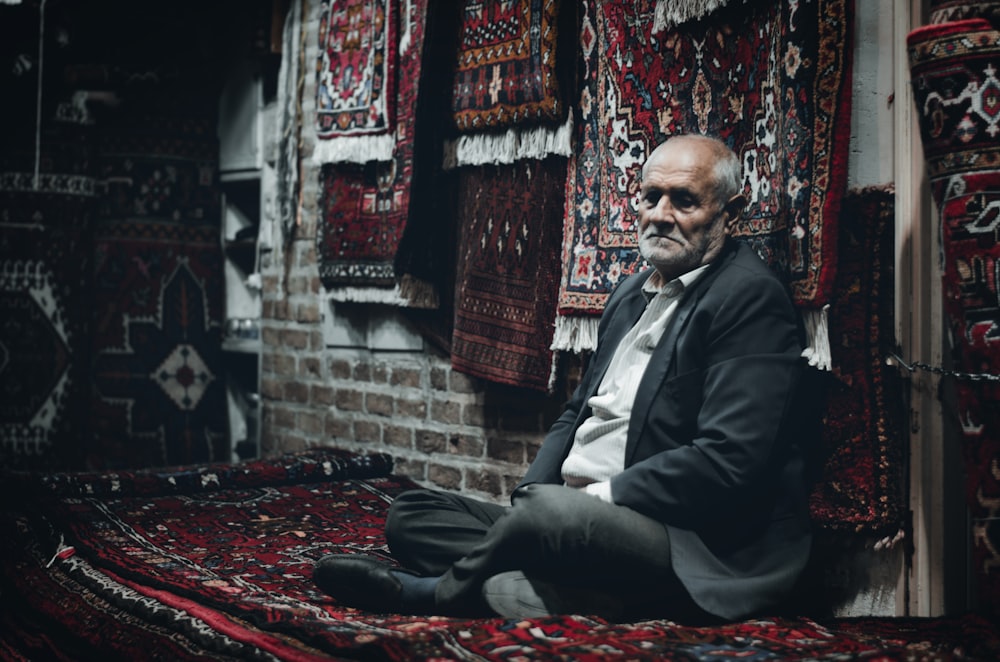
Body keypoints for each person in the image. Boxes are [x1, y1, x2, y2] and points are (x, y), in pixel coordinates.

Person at [313, 133, 815, 623]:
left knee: (547, 517)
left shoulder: (748, 299)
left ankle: (439, 593)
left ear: (730, 212)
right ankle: (580, 591)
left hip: (689, 541)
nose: (661, 215)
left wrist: (581, 502)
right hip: (579, 517)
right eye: (652, 197)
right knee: (413, 514)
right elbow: (577, 411)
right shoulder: (629, 294)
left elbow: (729, 461)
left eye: (685, 201)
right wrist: (531, 497)